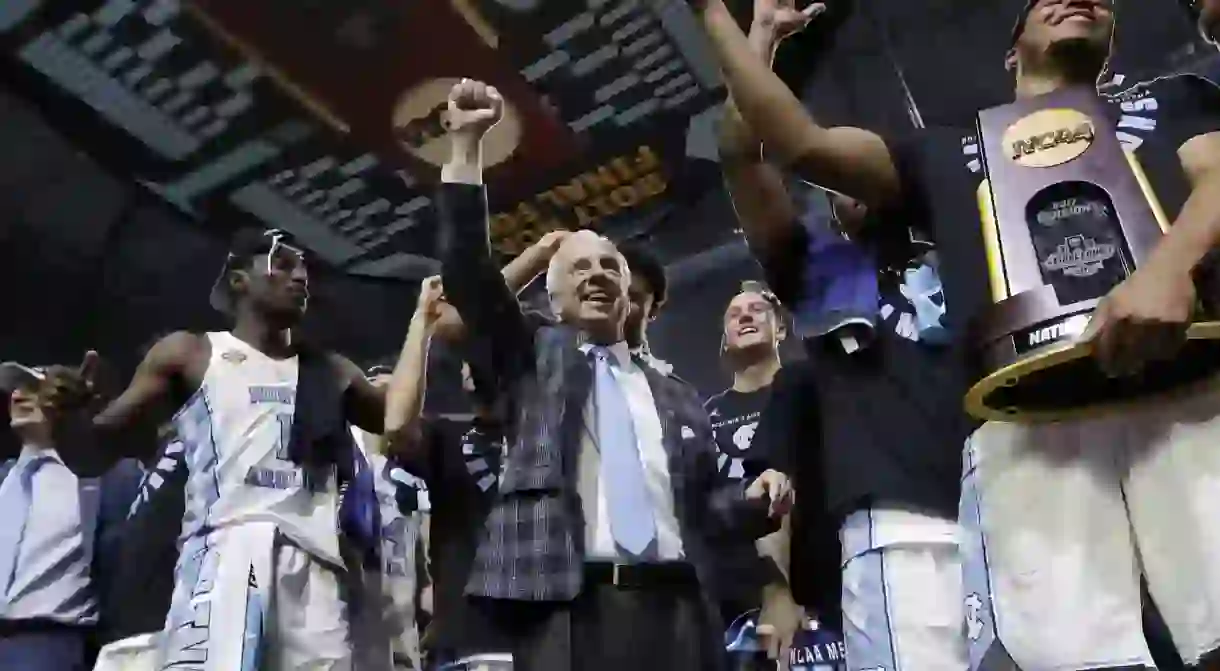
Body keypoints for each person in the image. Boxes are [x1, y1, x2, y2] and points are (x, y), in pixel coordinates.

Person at [695, 0, 1220, 668]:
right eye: (1040, 1)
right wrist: (714, 12)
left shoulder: (1171, 100)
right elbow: (790, 141)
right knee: (1077, 658)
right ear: (1013, 49)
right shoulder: (943, 160)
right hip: (1030, 422)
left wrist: (1169, 269)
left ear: (1114, 35)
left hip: (1188, 382)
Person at [436, 77, 792, 671]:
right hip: (567, 607)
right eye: (579, 268)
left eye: (610, 266)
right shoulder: (531, 354)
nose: (598, 274)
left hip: (680, 608)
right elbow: (469, 272)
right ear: (551, 299)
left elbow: (702, 509)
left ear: (630, 294)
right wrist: (467, 147)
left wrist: (753, 502)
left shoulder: (676, 395)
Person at [698, 1, 968, 669]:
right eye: (829, 173)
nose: (844, 177)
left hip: (1011, 491)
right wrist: (756, 34)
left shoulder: (972, 235)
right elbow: (740, 152)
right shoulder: (816, 269)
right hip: (901, 527)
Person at [41, 228, 391, 670]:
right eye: (282, 264)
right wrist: (67, 417)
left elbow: (399, 425)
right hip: (226, 549)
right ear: (239, 279)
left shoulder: (334, 370)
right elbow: (91, 454)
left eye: (304, 267)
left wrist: (425, 326)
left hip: (315, 567)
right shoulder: (191, 353)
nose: (300, 275)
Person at [0, 362, 141, 670]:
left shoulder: (105, 479)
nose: (19, 395)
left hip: (47, 644)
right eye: (15, 388)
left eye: (35, 388)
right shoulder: (4, 478)